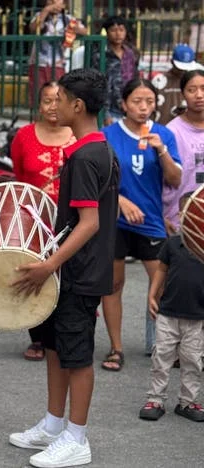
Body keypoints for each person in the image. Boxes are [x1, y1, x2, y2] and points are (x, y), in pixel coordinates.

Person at [9, 68, 119, 468]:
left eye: (60, 100)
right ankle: (54, 425)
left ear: (78, 105)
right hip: (67, 270)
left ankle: (77, 438)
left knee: (77, 356)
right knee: (56, 347)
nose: (52, 106)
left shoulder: (89, 156)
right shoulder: (87, 150)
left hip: (79, 273)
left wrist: (47, 265)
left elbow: (89, 224)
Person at [101, 79, 182, 371]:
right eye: (137, 101)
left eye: (149, 101)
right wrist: (120, 201)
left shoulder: (164, 134)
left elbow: (174, 179)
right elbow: (98, 179)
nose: (144, 107)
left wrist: (160, 150)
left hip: (151, 222)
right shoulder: (107, 134)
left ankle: (164, 347)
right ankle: (116, 348)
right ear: (124, 104)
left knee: (163, 285)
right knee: (113, 284)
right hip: (114, 221)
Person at [11, 81, 76, 362]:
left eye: (58, 100)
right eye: (47, 100)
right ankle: (38, 338)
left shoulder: (78, 136)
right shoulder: (23, 136)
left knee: (70, 276)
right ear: (38, 105)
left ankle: (67, 334)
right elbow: (18, 177)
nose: (52, 106)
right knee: (36, 274)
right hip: (34, 221)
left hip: (72, 221)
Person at [139, 192, 204, 423]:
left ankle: (188, 401)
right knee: (162, 357)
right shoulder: (173, 243)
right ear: (182, 216)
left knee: (193, 360)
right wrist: (152, 294)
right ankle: (155, 399)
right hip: (168, 313)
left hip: (197, 315)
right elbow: (162, 270)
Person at [163, 70, 204, 233]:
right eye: (192, 90)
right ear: (183, 95)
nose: (199, 95)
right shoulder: (171, 132)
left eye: (203, 88)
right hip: (179, 221)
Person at [27, 0, 86, 109]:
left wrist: (74, 28)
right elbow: (33, 28)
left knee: (58, 95)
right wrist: (46, 10)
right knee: (38, 96)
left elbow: (85, 31)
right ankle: (38, 120)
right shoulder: (40, 15)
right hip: (39, 62)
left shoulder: (67, 18)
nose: (54, 2)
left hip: (58, 63)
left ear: (63, 3)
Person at [92, 16, 139, 124]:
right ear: (106, 32)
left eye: (121, 30)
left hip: (128, 106)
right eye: (113, 30)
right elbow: (97, 84)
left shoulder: (131, 53)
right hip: (109, 108)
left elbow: (135, 79)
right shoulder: (101, 55)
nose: (118, 34)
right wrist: (105, 113)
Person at [154, 45, 204, 125]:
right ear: (172, 62)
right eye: (180, 67)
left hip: (188, 126)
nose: (182, 71)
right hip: (163, 125)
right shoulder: (159, 80)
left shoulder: (195, 80)